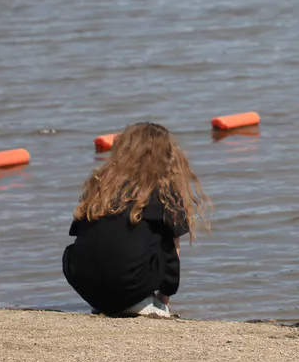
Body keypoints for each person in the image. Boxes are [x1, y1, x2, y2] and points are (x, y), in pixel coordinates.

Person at [62, 122, 210, 318]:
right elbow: (172, 254)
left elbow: (80, 231)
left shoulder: (100, 185)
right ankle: (143, 303)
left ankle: (109, 301)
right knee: (163, 237)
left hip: (87, 285)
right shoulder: (164, 191)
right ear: (167, 156)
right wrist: (164, 299)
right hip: (130, 284)